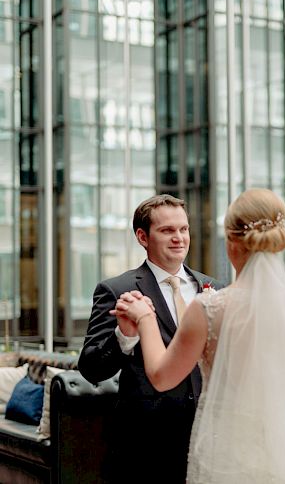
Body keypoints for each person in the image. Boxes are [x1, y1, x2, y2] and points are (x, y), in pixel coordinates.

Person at [115, 188, 285, 483]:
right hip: (283, 449)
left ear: (231, 242)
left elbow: (162, 377)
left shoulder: (210, 307)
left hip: (226, 448)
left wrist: (145, 318)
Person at [78, 194, 223, 484]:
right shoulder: (116, 289)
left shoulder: (214, 288)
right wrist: (124, 336)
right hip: (146, 443)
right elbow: (92, 367)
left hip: (210, 435)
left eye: (183, 229)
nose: (179, 238)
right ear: (143, 237)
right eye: (167, 231)